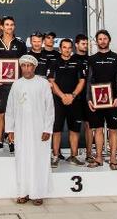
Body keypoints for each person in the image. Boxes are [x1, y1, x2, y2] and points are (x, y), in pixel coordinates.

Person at [6, 55, 54, 206]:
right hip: (21, 130)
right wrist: (10, 130)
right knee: (22, 160)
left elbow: (49, 108)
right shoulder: (16, 85)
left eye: (29, 66)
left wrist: (47, 128)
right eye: (24, 66)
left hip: (40, 131)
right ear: (21, 67)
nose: (26, 68)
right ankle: (23, 192)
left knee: (38, 160)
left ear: (34, 67)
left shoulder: (43, 83)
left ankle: (37, 193)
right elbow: (10, 108)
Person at [86, 30, 117, 170]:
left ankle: (113, 158)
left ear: (109, 40)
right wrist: (89, 99)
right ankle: (98, 158)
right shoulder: (91, 59)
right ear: (96, 41)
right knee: (97, 129)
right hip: (97, 101)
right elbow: (88, 81)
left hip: (113, 101)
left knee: (113, 130)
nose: (102, 41)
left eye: (104, 38)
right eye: (100, 39)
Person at [0, 16, 26, 153]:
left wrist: (22, 80)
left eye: (12, 25)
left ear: (14, 27)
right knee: (0, 112)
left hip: (16, 84)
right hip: (0, 84)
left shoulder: (21, 44)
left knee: (15, 113)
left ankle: (12, 140)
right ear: (2, 27)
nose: (9, 27)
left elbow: (24, 64)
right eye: (7, 25)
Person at [48, 39, 86, 167]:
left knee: (74, 130)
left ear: (72, 49)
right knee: (56, 129)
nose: (67, 49)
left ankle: (73, 156)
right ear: (60, 49)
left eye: (69, 47)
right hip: (58, 101)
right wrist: (63, 96)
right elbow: (51, 81)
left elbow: (82, 81)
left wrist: (73, 95)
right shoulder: (54, 62)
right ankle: (55, 156)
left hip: (74, 101)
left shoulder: (78, 62)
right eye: (64, 47)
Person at [72, 34, 94, 163]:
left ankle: (89, 154)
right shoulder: (71, 58)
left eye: (86, 44)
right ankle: (73, 155)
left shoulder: (91, 59)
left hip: (88, 97)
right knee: (74, 127)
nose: (85, 46)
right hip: (75, 97)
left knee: (89, 126)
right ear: (76, 44)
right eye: (83, 44)